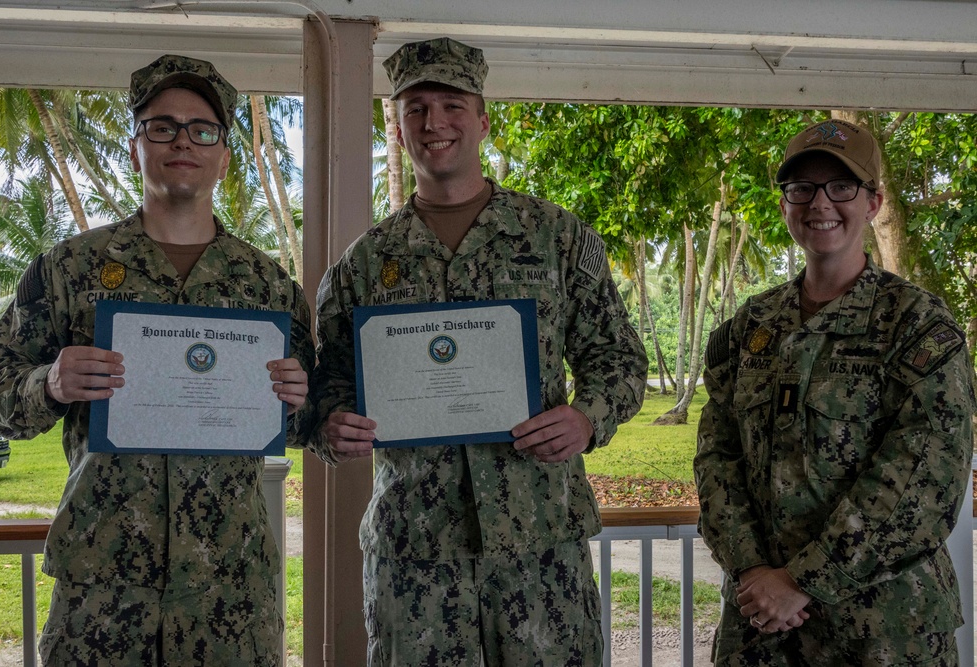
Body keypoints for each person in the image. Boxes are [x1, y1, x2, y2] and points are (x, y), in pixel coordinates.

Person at [310, 37, 647, 666]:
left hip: (541, 548)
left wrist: (587, 418)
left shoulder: (556, 238)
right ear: (400, 126)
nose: (434, 123)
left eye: (451, 105)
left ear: (484, 120)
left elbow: (620, 361)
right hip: (415, 558)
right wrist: (333, 426)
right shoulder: (363, 263)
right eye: (416, 108)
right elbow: (323, 386)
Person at [0, 54, 314, 666]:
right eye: (161, 126)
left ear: (225, 153)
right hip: (101, 596)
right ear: (135, 148)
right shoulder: (69, 268)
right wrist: (51, 383)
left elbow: (305, 423)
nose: (182, 141)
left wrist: (299, 399)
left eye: (202, 128)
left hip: (230, 598)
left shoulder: (269, 286)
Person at [695, 118, 975, 666]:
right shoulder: (754, 326)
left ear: (872, 203)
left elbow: (924, 481)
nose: (820, 203)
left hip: (883, 632)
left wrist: (801, 581)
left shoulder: (916, 325)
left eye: (841, 186)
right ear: (785, 205)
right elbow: (716, 457)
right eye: (802, 189)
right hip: (763, 631)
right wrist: (753, 571)